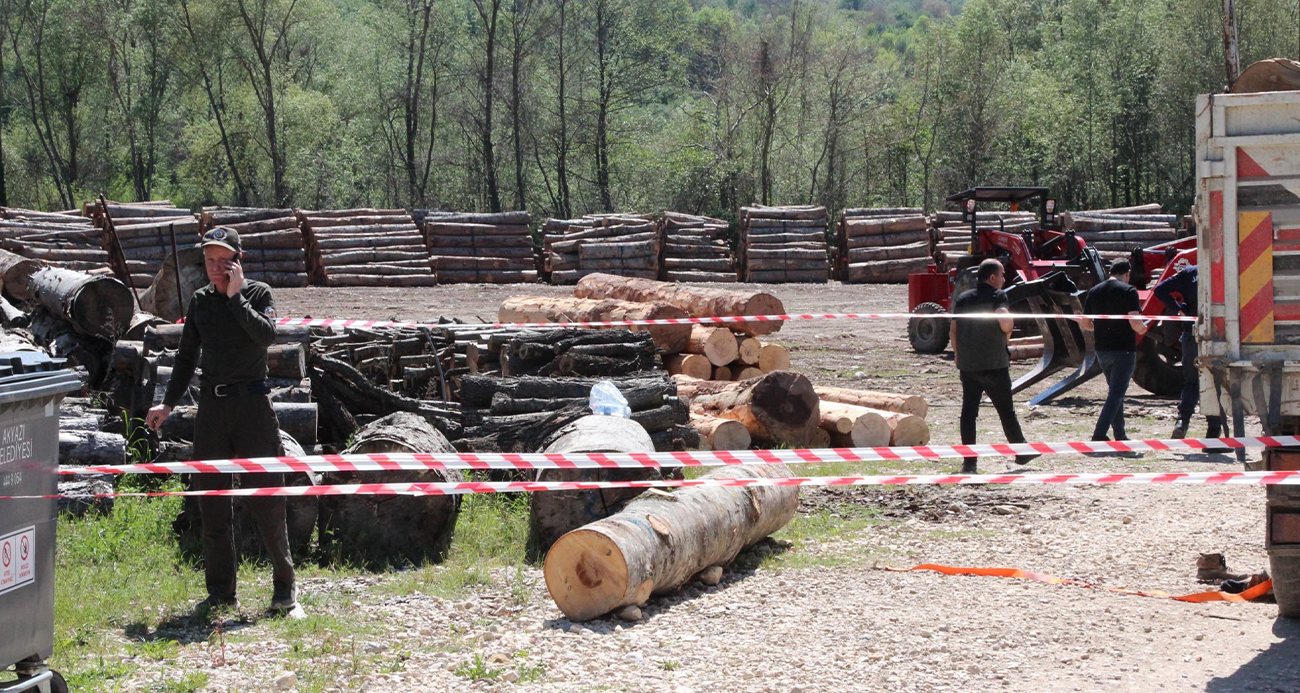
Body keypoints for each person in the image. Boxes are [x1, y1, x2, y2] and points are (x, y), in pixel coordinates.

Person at [145, 227, 298, 615]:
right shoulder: (198, 303)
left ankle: (285, 588)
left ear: (238, 260)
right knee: (212, 504)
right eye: (209, 260)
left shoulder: (258, 294)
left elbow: (265, 337)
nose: (215, 267)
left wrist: (235, 298)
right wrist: (167, 404)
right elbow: (185, 358)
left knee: (268, 501)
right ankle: (221, 593)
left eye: (222, 260)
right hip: (212, 413)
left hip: (252, 409)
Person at [950, 258, 1037, 473]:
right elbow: (1005, 320)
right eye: (1002, 275)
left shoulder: (962, 299)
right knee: (1006, 410)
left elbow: (953, 330)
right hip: (994, 364)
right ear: (992, 277)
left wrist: (959, 354)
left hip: (968, 365)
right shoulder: (999, 296)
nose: (1004, 279)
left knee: (969, 413)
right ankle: (1021, 451)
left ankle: (969, 461)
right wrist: (1007, 332)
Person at [1152, 265, 1225, 441]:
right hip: (1219, 335)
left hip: (1192, 334)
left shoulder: (1190, 272)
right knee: (1215, 383)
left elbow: (1160, 289)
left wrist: (1179, 308)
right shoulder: (1226, 268)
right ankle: (1213, 434)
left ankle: (1182, 422)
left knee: (1191, 383)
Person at [1078, 260, 1148, 443]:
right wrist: (1143, 329)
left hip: (1102, 349)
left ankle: (1120, 433)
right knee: (1116, 393)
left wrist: (1100, 328)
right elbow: (1135, 322)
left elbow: (1085, 324)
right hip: (1123, 349)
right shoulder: (1129, 291)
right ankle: (1099, 434)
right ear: (1127, 273)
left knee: (1115, 393)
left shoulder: (1094, 291)